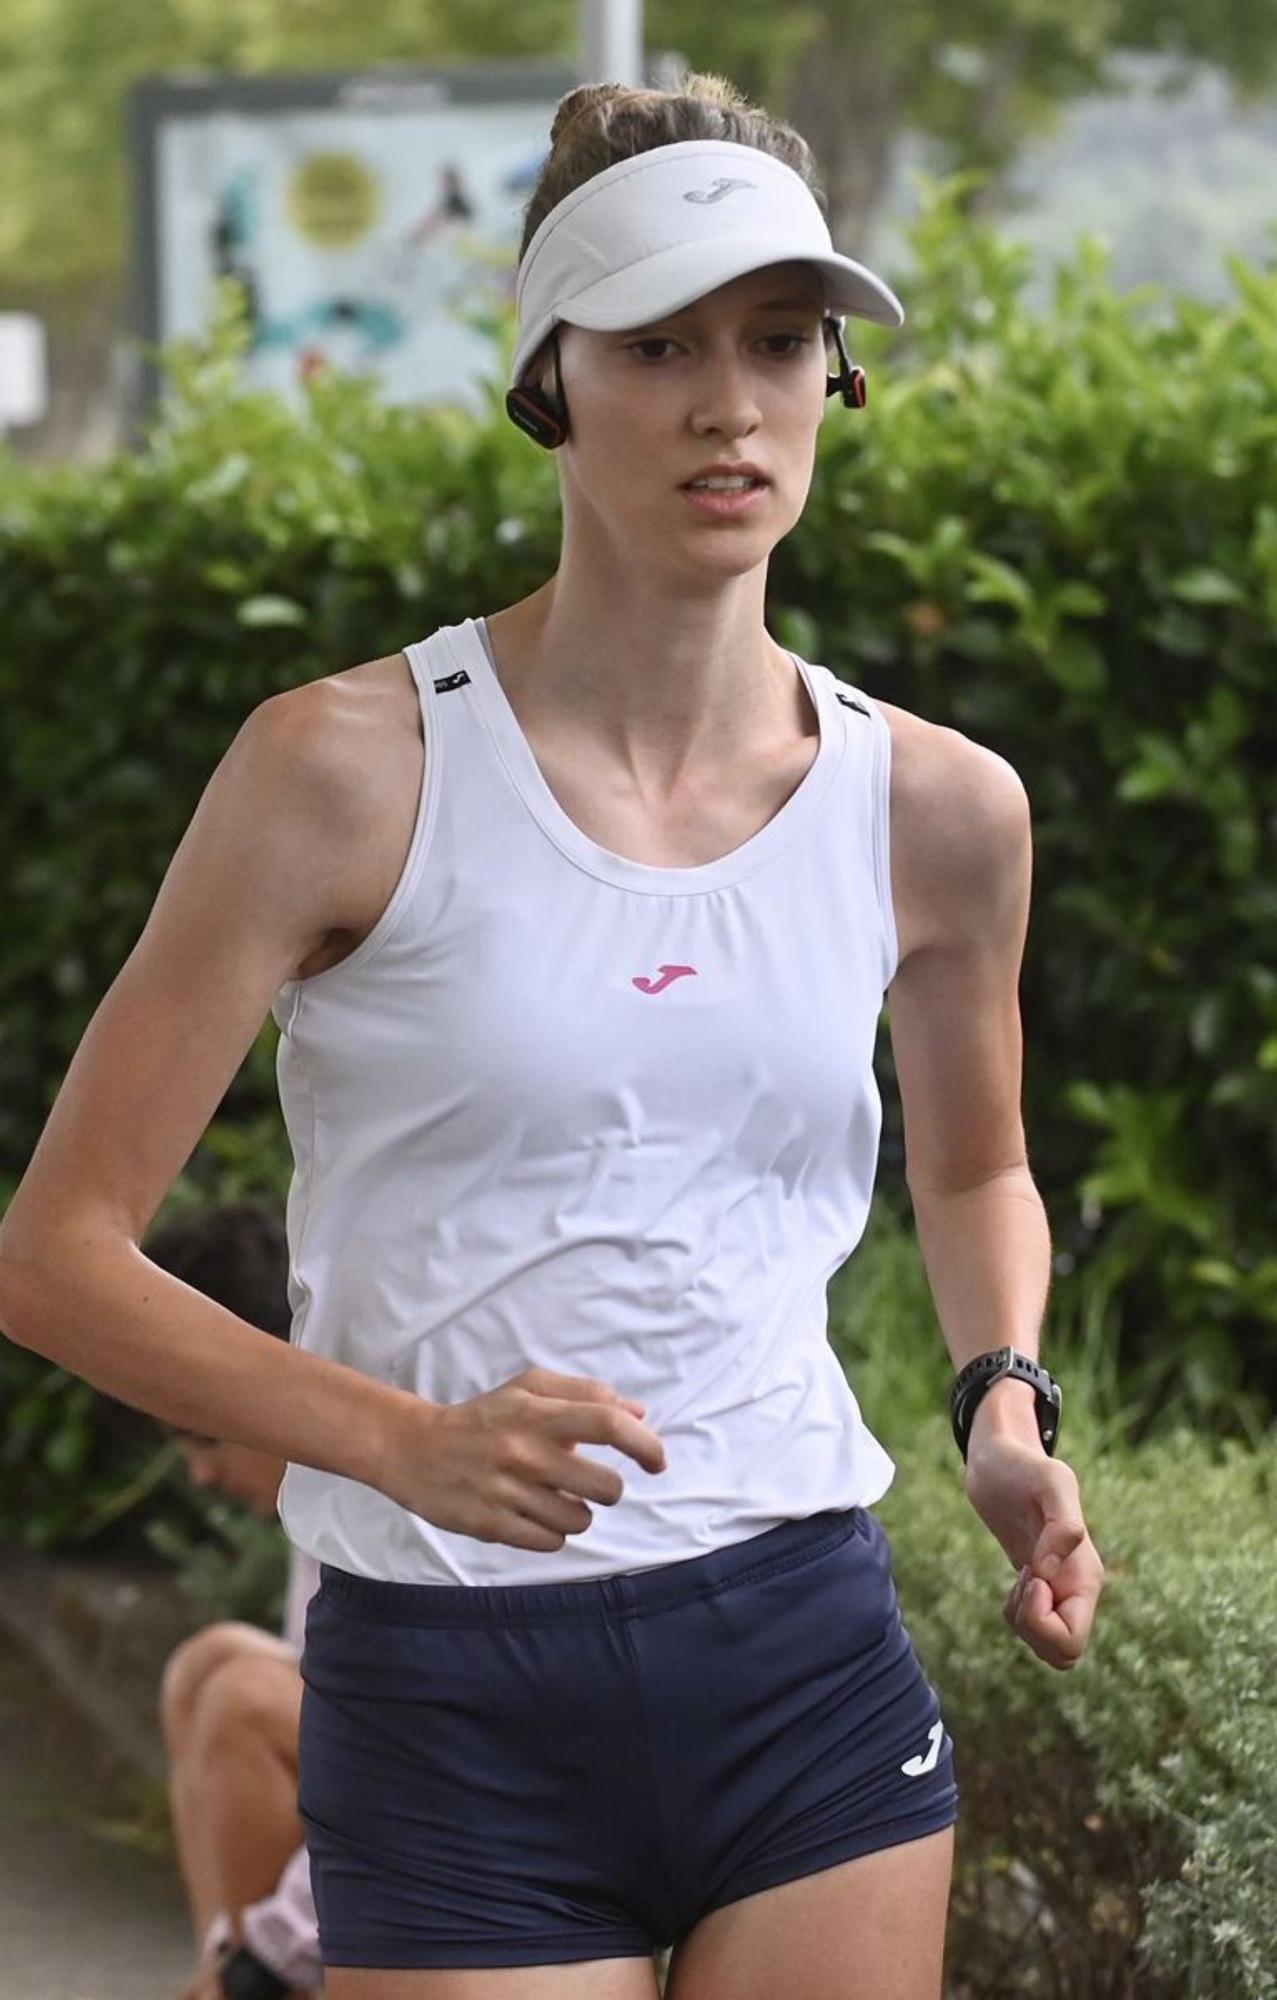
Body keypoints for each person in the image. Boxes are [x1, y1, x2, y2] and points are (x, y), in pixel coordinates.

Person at [0, 69, 1108, 2000]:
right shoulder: (339, 772)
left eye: (780, 342)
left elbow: (975, 1160)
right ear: (549, 379)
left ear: (834, 384)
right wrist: (400, 1444)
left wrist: (999, 1405)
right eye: (658, 341)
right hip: (449, 1689)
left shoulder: (938, 808)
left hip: (800, 1655)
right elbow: (53, 1258)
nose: (726, 401)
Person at [145, 1201, 325, 2000]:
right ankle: (222, 1975)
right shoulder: (316, 1481)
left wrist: (268, 1956)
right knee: (209, 1663)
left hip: (508, 1800)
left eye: (206, 1439)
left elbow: (411, 1751)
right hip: (409, 1764)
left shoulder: (382, 1484)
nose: (200, 1477)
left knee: (244, 1702)